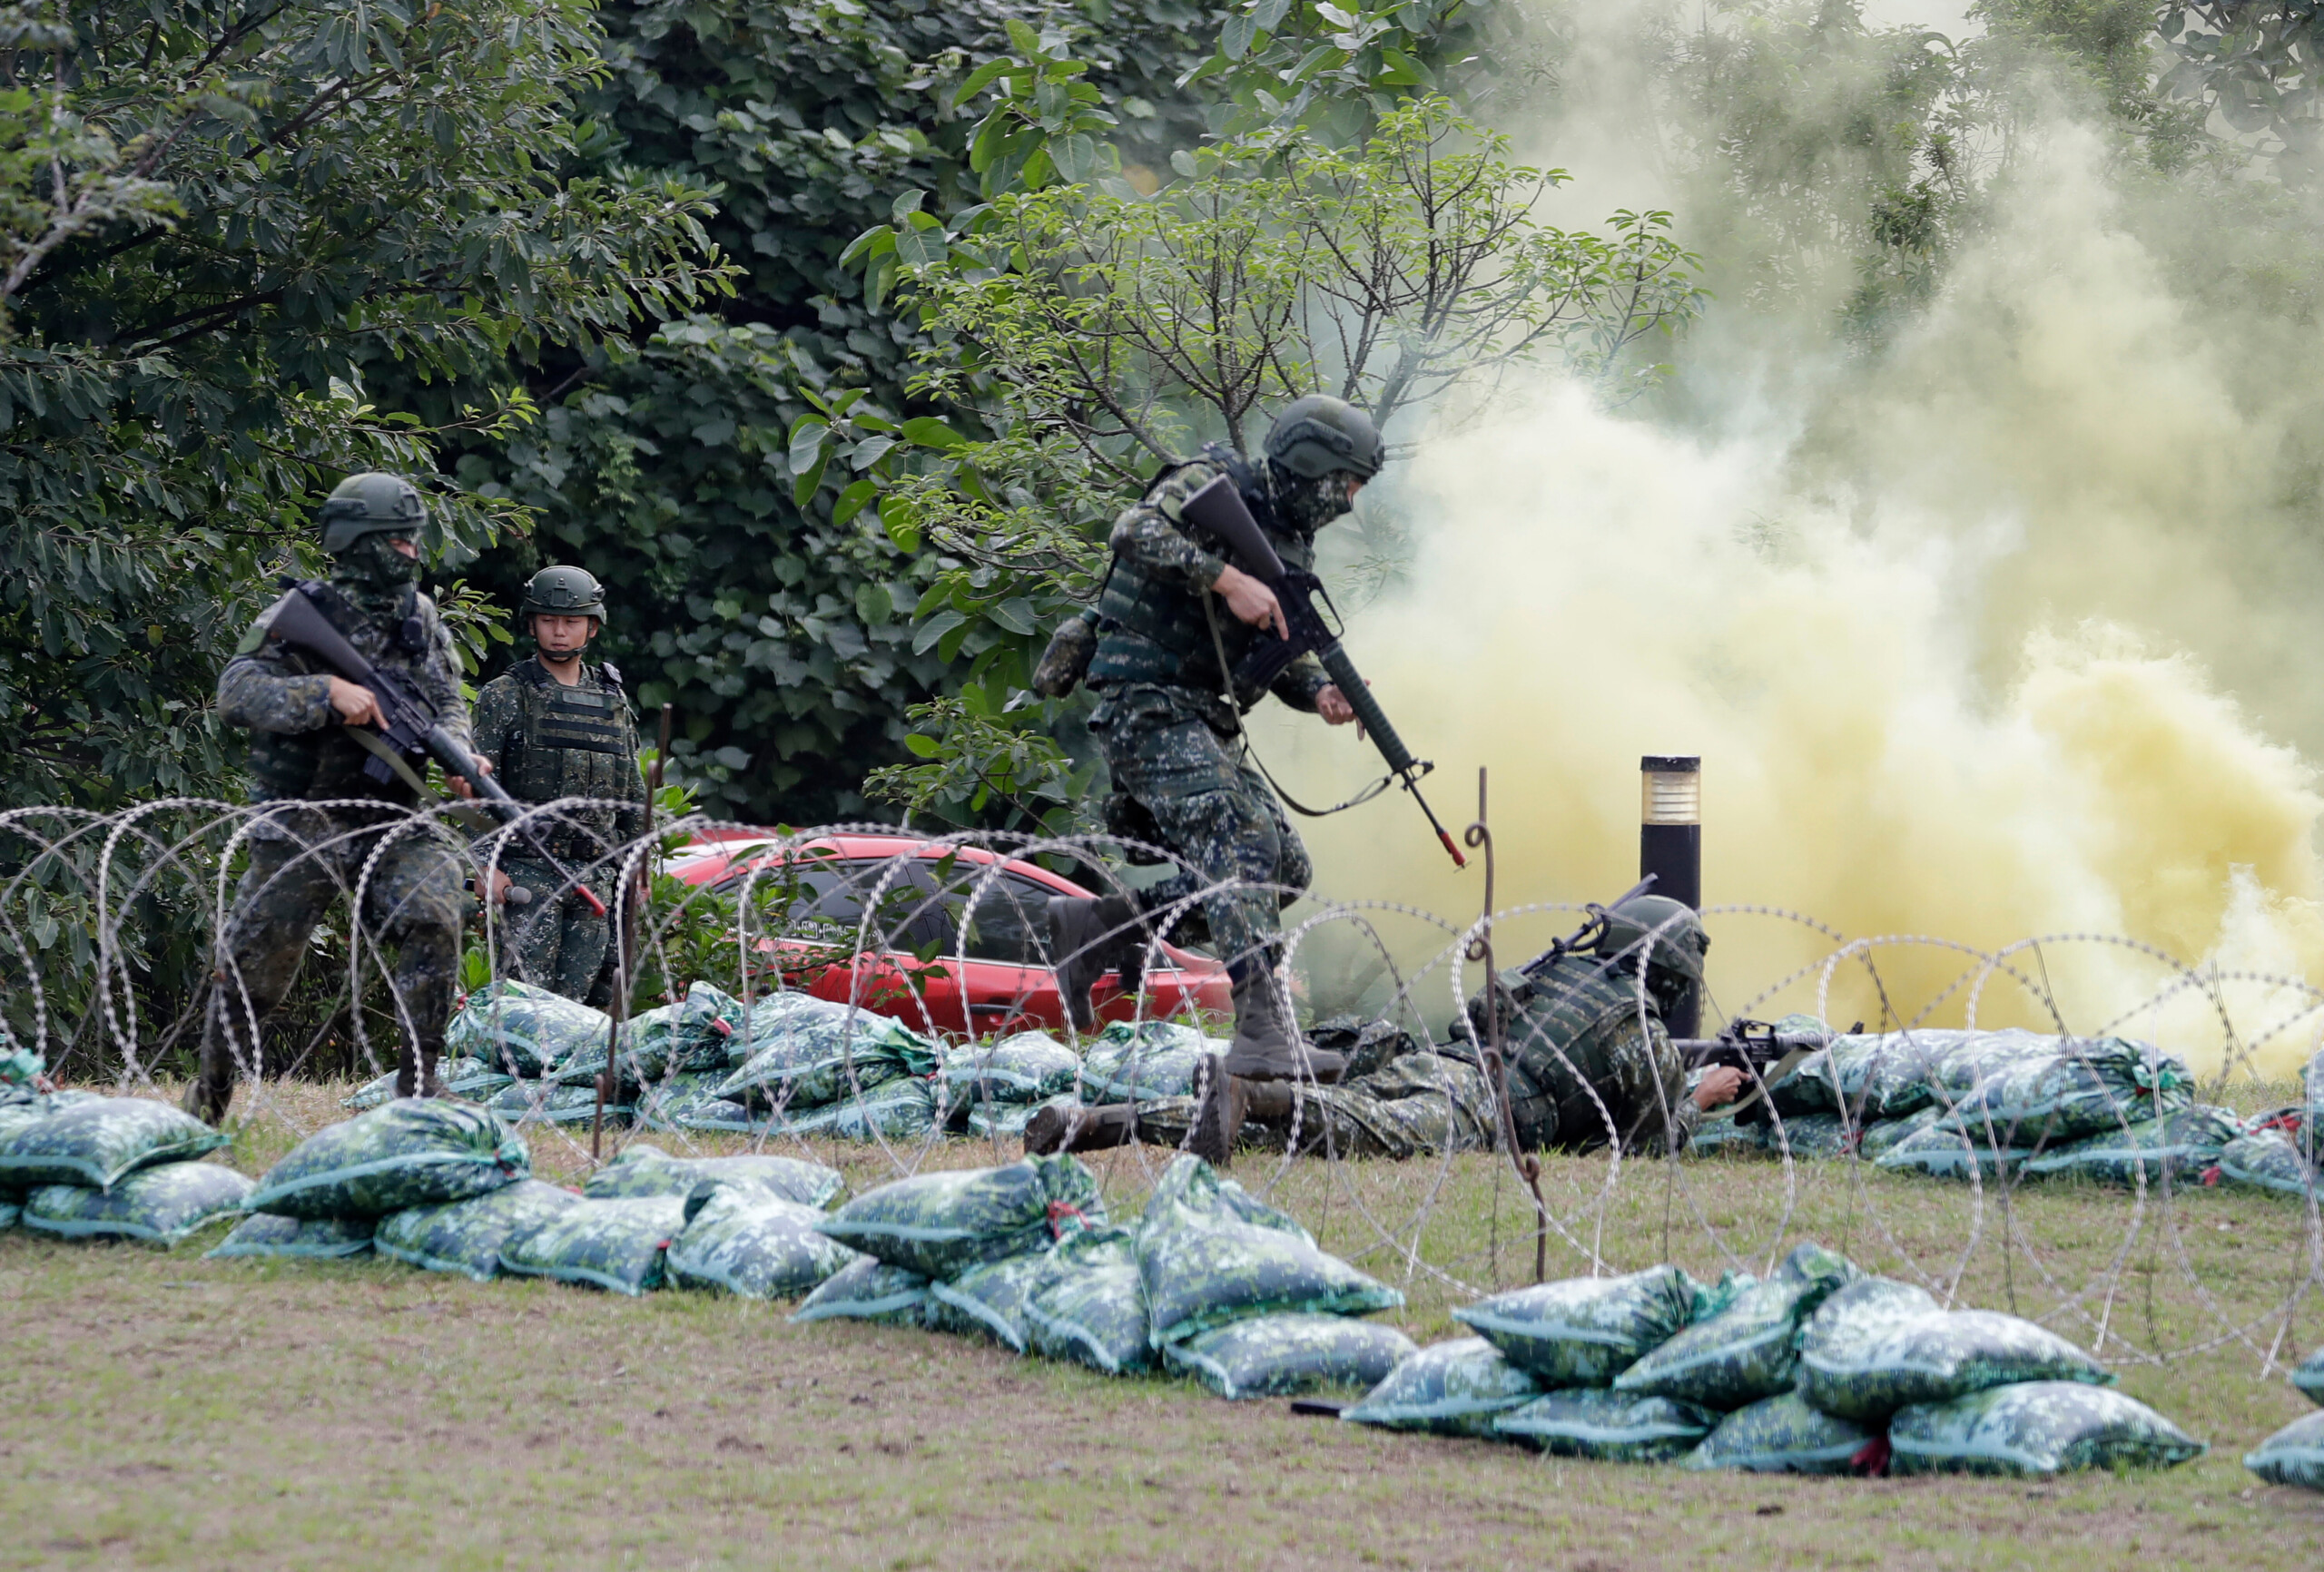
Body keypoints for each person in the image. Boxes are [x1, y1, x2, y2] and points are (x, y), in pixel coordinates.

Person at [1041, 395, 1383, 1163]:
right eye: (1349, 483)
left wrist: (1317, 692)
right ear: (1316, 467)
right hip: (1145, 703)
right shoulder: (1212, 481)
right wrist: (1227, 577)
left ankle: (1102, 928)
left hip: (1204, 717)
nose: (1350, 501)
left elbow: (1268, 657)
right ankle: (1260, 1030)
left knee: (1284, 869)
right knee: (1239, 840)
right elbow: (1133, 529)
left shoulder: (1291, 547)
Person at [188, 473, 484, 1124]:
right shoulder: (300, 616)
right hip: (304, 815)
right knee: (258, 964)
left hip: (389, 815)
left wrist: (462, 759)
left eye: (412, 540)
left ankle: (419, 1086)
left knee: (437, 912)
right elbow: (236, 693)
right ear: (361, 543)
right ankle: (208, 1098)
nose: (411, 553)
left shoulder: (420, 618)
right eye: (398, 541)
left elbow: (446, 703)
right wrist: (324, 692)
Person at [1028, 895, 1748, 1159]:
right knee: (1352, 1128)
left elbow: (1478, 1013)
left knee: (1285, 1121)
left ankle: (1097, 1122)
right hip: (1477, 1105)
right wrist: (1703, 1096)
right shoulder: (1638, 1030)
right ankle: (1261, 1097)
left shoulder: (1559, 974)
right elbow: (1645, 1147)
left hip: (1448, 1068)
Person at [468, 565, 645, 1005]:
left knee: (588, 1012)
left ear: (592, 626)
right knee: (524, 1008)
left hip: (596, 875)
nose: (559, 632)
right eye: (549, 621)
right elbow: (476, 790)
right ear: (532, 624)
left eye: (570, 622)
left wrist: (636, 865)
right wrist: (483, 867)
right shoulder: (507, 694)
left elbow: (631, 794)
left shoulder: (612, 699)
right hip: (529, 873)